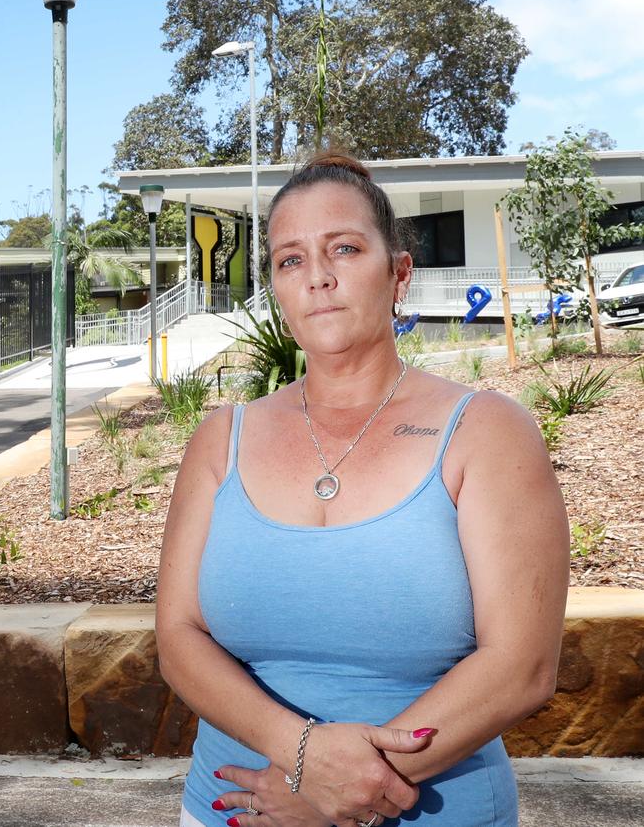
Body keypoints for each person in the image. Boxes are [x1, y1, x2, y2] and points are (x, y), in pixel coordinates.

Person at [156, 151, 570, 827]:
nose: (317, 277)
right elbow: (177, 637)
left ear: (398, 272)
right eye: (290, 260)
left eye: (344, 248)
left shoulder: (487, 434)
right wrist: (303, 757)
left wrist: (341, 790)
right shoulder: (220, 440)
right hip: (233, 810)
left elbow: (522, 666)